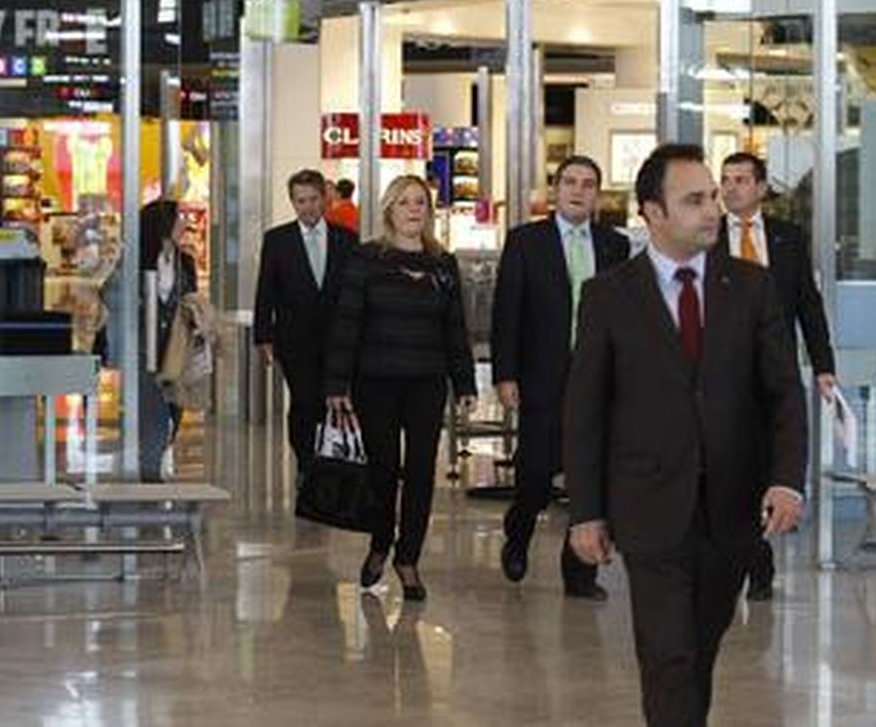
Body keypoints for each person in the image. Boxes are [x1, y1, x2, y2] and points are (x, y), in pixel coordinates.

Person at [565, 143, 807, 726]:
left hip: (730, 509)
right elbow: (585, 410)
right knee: (668, 656)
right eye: (694, 200)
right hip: (648, 506)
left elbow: (782, 393)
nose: (712, 211)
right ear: (652, 212)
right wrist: (586, 511)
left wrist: (786, 480)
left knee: (697, 652)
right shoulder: (608, 295)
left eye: (713, 198)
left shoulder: (751, 288)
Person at [325, 174, 477, 602]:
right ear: (389, 210)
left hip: (427, 382)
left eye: (420, 203)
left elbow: (455, 329)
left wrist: (464, 382)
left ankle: (408, 558)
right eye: (405, 203)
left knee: (422, 473)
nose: (414, 210)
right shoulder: (367, 258)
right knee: (383, 471)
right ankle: (380, 543)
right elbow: (347, 323)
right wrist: (336, 383)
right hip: (376, 382)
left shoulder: (443, 264)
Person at [492, 155, 630, 599]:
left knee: (590, 475)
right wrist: (505, 374)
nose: (578, 190)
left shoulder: (615, 245)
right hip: (541, 375)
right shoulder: (525, 241)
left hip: (598, 379)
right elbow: (507, 312)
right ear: (554, 189)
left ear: (597, 194)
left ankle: (580, 573)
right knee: (535, 472)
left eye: (588, 184)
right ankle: (518, 535)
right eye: (569, 182)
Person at [713, 150, 837, 601]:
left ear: (762, 188)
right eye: (725, 180)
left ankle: (758, 557)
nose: (731, 188)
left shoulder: (787, 238)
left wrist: (824, 365)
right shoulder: (709, 238)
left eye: (741, 180)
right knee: (733, 463)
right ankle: (751, 557)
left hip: (774, 368)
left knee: (768, 461)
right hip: (724, 371)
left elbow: (809, 305)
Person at [254, 169, 359, 475]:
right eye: (301, 201)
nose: (308, 207)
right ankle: (306, 465)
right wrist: (263, 337)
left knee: (334, 401)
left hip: (338, 339)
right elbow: (266, 289)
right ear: (292, 202)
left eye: (313, 199)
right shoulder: (277, 240)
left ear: (324, 199)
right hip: (294, 340)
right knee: (304, 402)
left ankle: (332, 461)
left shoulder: (346, 240)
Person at [139, 197, 197, 483]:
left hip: (176, 346)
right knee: (152, 407)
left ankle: (160, 453)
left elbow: (191, 298)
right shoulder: (137, 260)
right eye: (179, 218)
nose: (184, 224)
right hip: (145, 347)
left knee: (175, 406)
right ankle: (149, 468)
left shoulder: (185, 262)